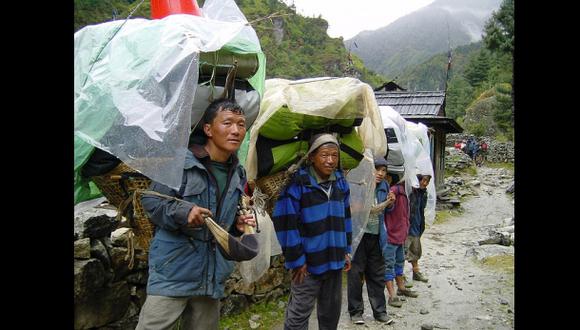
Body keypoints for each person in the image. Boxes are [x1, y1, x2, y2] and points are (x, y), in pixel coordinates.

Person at [136, 98, 256, 330]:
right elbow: (150, 200)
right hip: (174, 268)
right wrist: (184, 211)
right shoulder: (181, 163)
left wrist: (236, 226)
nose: (236, 130)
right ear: (208, 129)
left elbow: (224, 220)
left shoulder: (238, 172)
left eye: (241, 124)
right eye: (228, 123)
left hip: (211, 273)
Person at [272, 133, 352, 330]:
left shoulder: (340, 182)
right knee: (298, 317)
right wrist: (297, 260)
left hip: (334, 261)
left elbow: (347, 218)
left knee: (330, 315)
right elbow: (285, 224)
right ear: (311, 157)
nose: (331, 160)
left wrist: (346, 249)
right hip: (307, 266)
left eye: (335, 155)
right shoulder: (297, 184)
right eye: (324, 155)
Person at [347, 157, 395, 325]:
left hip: (376, 236)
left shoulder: (384, 187)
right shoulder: (359, 186)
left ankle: (380, 312)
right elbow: (362, 209)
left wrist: (391, 203)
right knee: (355, 275)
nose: (380, 174)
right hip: (359, 236)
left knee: (376, 275)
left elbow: (387, 211)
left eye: (383, 171)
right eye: (377, 169)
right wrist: (386, 203)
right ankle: (356, 312)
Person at [382, 166, 419, 308]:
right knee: (389, 265)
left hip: (400, 236)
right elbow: (389, 209)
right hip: (391, 237)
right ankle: (392, 295)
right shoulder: (393, 192)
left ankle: (401, 288)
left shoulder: (403, 193)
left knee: (398, 263)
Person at [405, 172, 432, 284]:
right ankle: (399, 277)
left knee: (415, 250)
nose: (425, 183)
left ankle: (416, 273)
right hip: (407, 227)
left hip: (417, 226)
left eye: (427, 182)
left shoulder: (423, 193)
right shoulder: (411, 192)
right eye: (423, 180)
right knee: (402, 252)